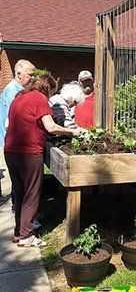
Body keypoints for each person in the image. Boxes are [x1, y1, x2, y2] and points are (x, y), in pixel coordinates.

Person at [4, 71, 81, 247]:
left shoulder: (19, 98)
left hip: (10, 151)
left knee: (20, 192)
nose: (51, 96)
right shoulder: (39, 98)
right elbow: (51, 127)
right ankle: (26, 235)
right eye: (52, 92)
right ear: (47, 88)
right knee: (32, 192)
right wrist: (74, 131)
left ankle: (19, 231)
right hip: (29, 152)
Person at [0, 59, 35, 209]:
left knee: (18, 180)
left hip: (12, 142)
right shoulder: (13, 91)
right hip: (12, 143)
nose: (33, 78)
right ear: (19, 74)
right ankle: (18, 211)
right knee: (18, 180)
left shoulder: (18, 89)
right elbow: (11, 122)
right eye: (30, 75)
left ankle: (18, 209)